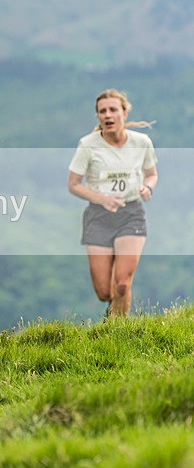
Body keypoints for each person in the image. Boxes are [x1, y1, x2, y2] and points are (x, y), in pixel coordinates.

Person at [67, 89, 158, 317]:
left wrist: (147, 187)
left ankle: (118, 330)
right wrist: (103, 199)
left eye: (113, 110)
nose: (107, 115)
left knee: (122, 284)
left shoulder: (142, 142)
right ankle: (112, 314)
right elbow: (73, 184)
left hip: (131, 213)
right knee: (105, 292)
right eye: (102, 111)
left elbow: (151, 174)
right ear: (98, 116)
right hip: (98, 217)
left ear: (124, 113)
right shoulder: (87, 145)